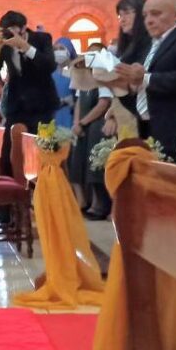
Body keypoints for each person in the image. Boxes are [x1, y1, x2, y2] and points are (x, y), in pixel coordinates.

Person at [104, 0, 176, 159]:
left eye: (156, 14)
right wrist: (124, 86)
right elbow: (142, 88)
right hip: (147, 126)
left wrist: (145, 78)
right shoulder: (150, 45)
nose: (149, 21)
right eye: (145, 15)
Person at [0, 10, 57, 223]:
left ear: (24, 28)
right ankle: (5, 213)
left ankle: (46, 209)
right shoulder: (4, 46)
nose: (9, 36)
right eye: (5, 32)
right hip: (17, 109)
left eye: (13, 31)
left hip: (43, 108)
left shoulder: (42, 39)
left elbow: (48, 66)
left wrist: (24, 47)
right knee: (8, 157)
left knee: (45, 158)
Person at [69, 43, 114, 220]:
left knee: (94, 166)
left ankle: (100, 204)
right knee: (79, 162)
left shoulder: (104, 77)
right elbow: (80, 103)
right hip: (83, 125)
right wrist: (76, 123)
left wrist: (84, 122)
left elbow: (103, 103)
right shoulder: (86, 77)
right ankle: (85, 201)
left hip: (97, 125)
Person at [51, 39, 76, 128]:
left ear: (69, 50)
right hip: (53, 115)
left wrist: (72, 101)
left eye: (61, 48)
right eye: (55, 49)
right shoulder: (50, 72)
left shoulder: (77, 71)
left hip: (71, 114)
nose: (58, 52)